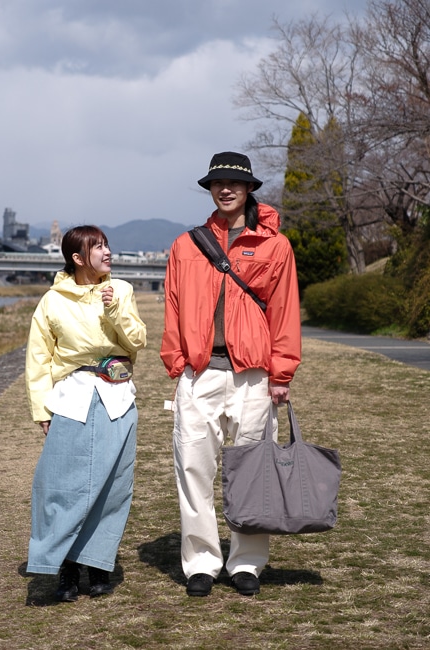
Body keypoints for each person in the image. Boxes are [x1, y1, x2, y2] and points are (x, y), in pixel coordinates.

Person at [160, 151, 301, 597]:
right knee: (192, 468)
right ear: (210, 188)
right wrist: (177, 362)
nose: (225, 189)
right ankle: (201, 562)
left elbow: (284, 311)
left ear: (249, 189)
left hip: (253, 376)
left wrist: (281, 373)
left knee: (252, 470)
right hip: (199, 373)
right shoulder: (186, 245)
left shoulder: (275, 245)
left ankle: (247, 562)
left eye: (234, 183)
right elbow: (173, 305)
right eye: (217, 183)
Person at [25, 225, 147, 602]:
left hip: (117, 396)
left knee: (113, 486)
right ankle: (65, 565)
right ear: (78, 258)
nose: (107, 252)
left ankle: (97, 563)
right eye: (97, 247)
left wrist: (114, 310)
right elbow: (38, 358)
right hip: (72, 397)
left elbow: (137, 341)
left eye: (107, 244)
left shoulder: (121, 290)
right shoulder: (52, 300)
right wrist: (41, 409)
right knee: (60, 484)